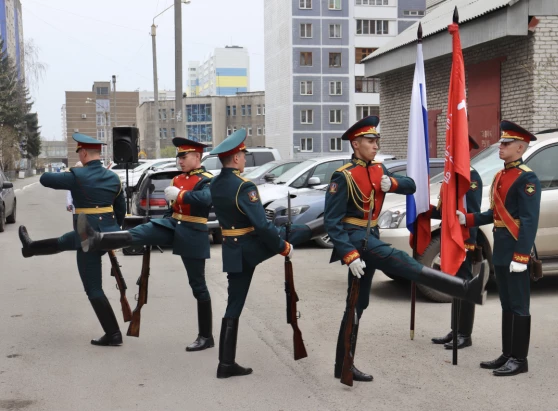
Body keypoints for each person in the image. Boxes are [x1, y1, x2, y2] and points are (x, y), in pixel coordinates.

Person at [324, 116, 487, 383]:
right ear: (355, 144)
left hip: (370, 235)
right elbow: (332, 222)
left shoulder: (379, 169)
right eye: (370, 141)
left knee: (357, 303)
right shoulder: (343, 176)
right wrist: (349, 254)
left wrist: (394, 184)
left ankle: (343, 364)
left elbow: (412, 185)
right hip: (357, 240)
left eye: (377, 141)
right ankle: (464, 288)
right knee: (398, 259)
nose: (375, 145)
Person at [77, 137, 217, 352]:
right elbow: (172, 209)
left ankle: (206, 336)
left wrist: (182, 195)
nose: (180, 160)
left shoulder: (206, 179)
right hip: (173, 224)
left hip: (193, 231)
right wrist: (172, 208)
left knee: (198, 285)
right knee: (141, 232)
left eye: (184, 156)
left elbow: (206, 199)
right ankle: (98, 239)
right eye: (178, 156)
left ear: (197, 157)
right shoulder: (177, 179)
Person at [208, 129, 324, 379]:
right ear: (236, 158)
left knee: (234, 304)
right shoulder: (244, 186)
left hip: (231, 248)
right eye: (242, 154)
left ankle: (225, 362)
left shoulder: (215, 183)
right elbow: (261, 225)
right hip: (249, 248)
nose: (244, 158)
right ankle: (321, 227)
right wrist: (282, 247)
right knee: (290, 233)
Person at [18, 133, 127, 346]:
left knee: (93, 288)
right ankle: (30, 248)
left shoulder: (78, 175)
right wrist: (111, 230)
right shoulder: (114, 178)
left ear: (84, 153)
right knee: (64, 241)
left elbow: (44, 178)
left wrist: (73, 170)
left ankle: (113, 334)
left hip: (87, 236)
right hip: (109, 234)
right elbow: (121, 209)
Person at [458, 120, 541, 376]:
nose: (501, 147)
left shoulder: (527, 178)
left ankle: (520, 359)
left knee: (519, 305)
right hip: (502, 250)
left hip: (516, 250)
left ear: (520, 148)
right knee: (507, 304)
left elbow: (529, 220)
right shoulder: (501, 175)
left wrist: (521, 255)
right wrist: (468, 219)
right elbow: (495, 213)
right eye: (501, 142)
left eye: (506, 144)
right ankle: (507, 354)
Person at [430, 136, 483, 349]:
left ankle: (465, 334)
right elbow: (448, 210)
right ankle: (455, 329)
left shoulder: (471, 177)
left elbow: (471, 212)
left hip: (464, 239)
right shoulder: (450, 177)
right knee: (454, 284)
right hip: (451, 237)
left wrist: (469, 242)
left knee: (466, 284)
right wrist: (426, 212)